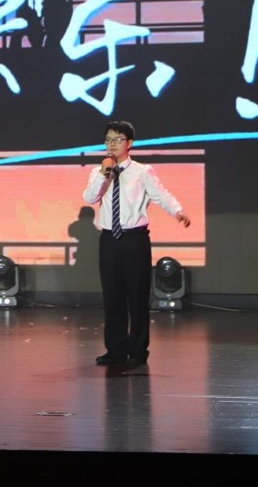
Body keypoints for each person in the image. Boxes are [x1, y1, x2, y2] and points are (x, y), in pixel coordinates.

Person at [83, 120, 190, 366]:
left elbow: (161, 195)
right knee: (112, 296)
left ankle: (138, 351)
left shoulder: (143, 171)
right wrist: (104, 173)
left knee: (137, 296)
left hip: (134, 239)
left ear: (129, 143)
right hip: (109, 239)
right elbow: (90, 197)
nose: (111, 144)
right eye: (108, 140)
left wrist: (177, 211)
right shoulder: (98, 171)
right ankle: (115, 349)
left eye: (117, 139)